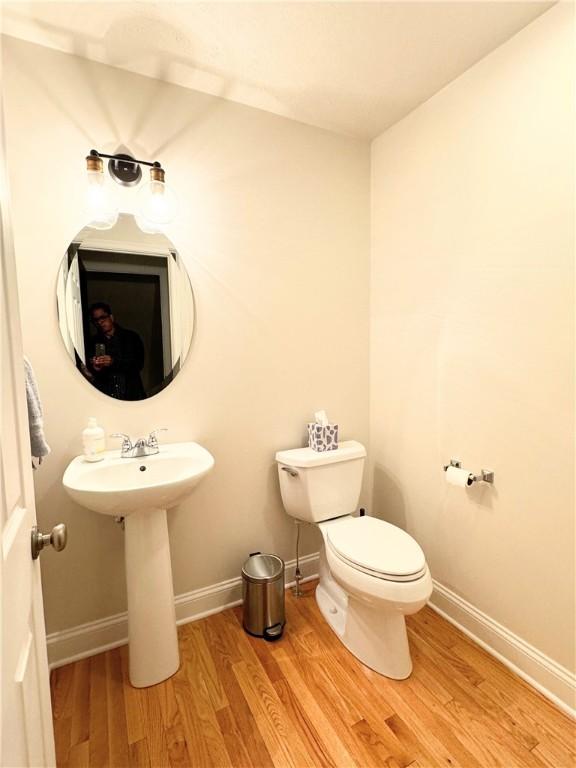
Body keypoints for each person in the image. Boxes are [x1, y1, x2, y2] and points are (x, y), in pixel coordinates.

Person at [87, 302, 146, 400]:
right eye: (96, 320)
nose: (100, 322)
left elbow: (138, 364)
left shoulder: (131, 337)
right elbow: (90, 371)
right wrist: (95, 368)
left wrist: (113, 362)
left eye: (103, 318)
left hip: (131, 394)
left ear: (111, 317)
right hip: (105, 396)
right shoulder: (93, 342)